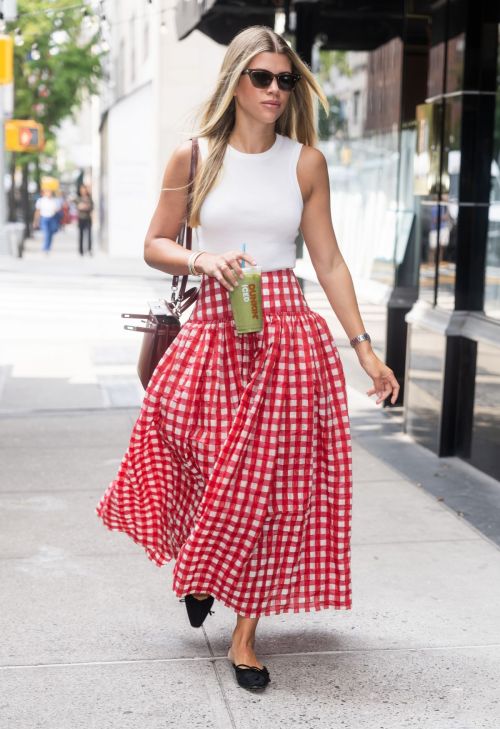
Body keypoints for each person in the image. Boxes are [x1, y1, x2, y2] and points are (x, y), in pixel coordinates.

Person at [96, 25, 399, 691]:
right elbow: (154, 243)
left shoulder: (304, 162)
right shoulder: (196, 155)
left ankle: (244, 635)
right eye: (261, 77)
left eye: (285, 79)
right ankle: (204, 568)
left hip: (288, 335)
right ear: (235, 81)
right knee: (197, 459)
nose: (274, 90)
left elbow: (330, 261)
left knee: (271, 489)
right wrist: (201, 256)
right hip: (214, 330)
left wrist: (366, 351)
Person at [33, 189, 60, 253]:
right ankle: (45, 247)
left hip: (52, 218)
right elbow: (37, 211)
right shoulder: (41, 201)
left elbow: (57, 209)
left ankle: (48, 245)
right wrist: (35, 221)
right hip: (44, 218)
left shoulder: (54, 200)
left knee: (51, 232)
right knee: (46, 232)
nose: (49, 194)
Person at [76, 184, 93, 255]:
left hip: (88, 218)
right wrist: (81, 207)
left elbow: (92, 207)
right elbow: (77, 206)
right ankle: (81, 250)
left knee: (89, 235)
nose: (83, 191)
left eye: (84, 189)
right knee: (81, 235)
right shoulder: (78, 198)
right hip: (81, 218)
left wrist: (86, 207)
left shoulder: (89, 198)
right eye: (82, 189)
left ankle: (89, 249)